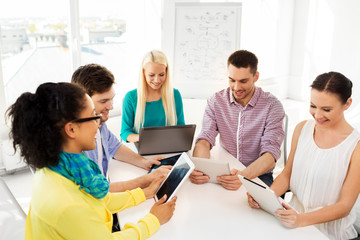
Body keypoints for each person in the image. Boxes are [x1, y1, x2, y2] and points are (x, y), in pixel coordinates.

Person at [6, 82, 177, 239]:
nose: (99, 122)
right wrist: (154, 219)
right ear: (71, 129)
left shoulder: (62, 168)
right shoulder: (67, 204)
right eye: (93, 116)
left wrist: (144, 193)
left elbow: (98, 201)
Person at [247, 72, 360, 240]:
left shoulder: (355, 146)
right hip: (292, 222)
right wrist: (266, 198)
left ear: (347, 104)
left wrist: (301, 220)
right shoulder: (302, 129)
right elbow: (287, 174)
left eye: (326, 109)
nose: (318, 115)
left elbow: (344, 206)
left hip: (330, 233)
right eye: (313, 106)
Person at [190, 50, 285, 189]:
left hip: (259, 174)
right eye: (232, 80)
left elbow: (270, 154)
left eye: (243, 81)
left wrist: (243, 176)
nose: (236, 87)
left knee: (256, 208)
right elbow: (205, 139)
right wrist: (199, 167)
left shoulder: (272, 105)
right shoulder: (216, 101)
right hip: (225, 169)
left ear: (256, 76)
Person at [71, 64, 168, 193]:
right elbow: (97, 190)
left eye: (111, 99)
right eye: (104, 101)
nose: (110, 107)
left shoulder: (100, 123)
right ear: (84, 101)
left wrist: (143, 162)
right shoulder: (75, 142)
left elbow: (115, 147)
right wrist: (146, 181)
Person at [121, 49, 185, 143]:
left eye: (161, 75)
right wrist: (144, 138)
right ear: (143, 73)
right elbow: (125, 132)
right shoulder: (131, 97)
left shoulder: (175, 95)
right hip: (142, 150)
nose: (157, 80)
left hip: (168, 148)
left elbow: (181, 128)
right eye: (151, 75)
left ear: (166, 72)